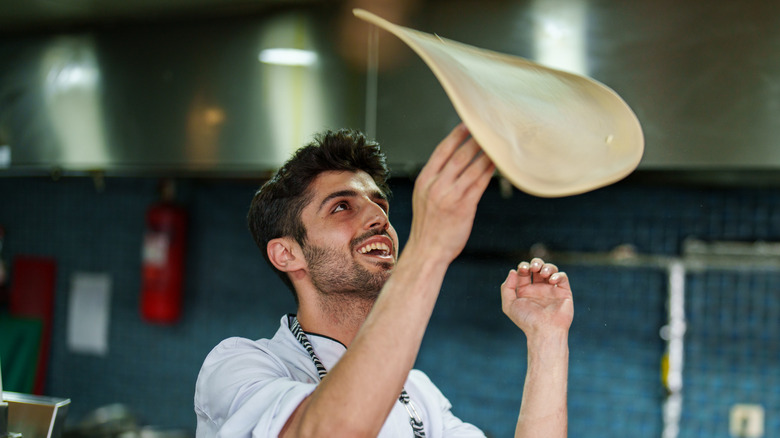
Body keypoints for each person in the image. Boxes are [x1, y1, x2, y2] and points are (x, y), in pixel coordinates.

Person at [194, 124, 574, 437]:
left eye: (380, 205)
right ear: (287, 254)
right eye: (342, 206)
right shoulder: (240, 366)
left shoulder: (417, 393)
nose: (379, 217)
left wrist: (548, 338)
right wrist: (429, 247)